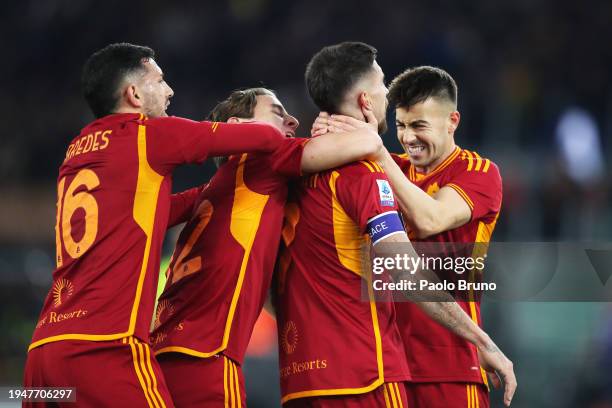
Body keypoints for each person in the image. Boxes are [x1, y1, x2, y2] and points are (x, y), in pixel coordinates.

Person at [22, 43, 327, 408]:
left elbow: (155, 213)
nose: (169, 91)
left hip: (43, 355)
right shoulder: (147, 135)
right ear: (133, 94)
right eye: (160, 81)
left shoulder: (77, 152)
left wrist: (212, 193)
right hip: (104, 346)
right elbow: (264, 137)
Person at [278, 42, 515, 407]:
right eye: (402, 125)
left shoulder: (477, 172)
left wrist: (372, 147)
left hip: (448, 364)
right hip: (387, 362)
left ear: (452, 121)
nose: (407, 137)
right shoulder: (389, 167)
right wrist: (336, 137)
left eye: (420, 126)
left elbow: (429, 217)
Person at [150, 87, 384, 407]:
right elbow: (367, 143)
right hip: (207, 358)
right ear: (238, 127)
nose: (292, 121)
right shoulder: (266, 159)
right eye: (277, 113)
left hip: (158, 355)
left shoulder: (211, 191)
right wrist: (364, 126)